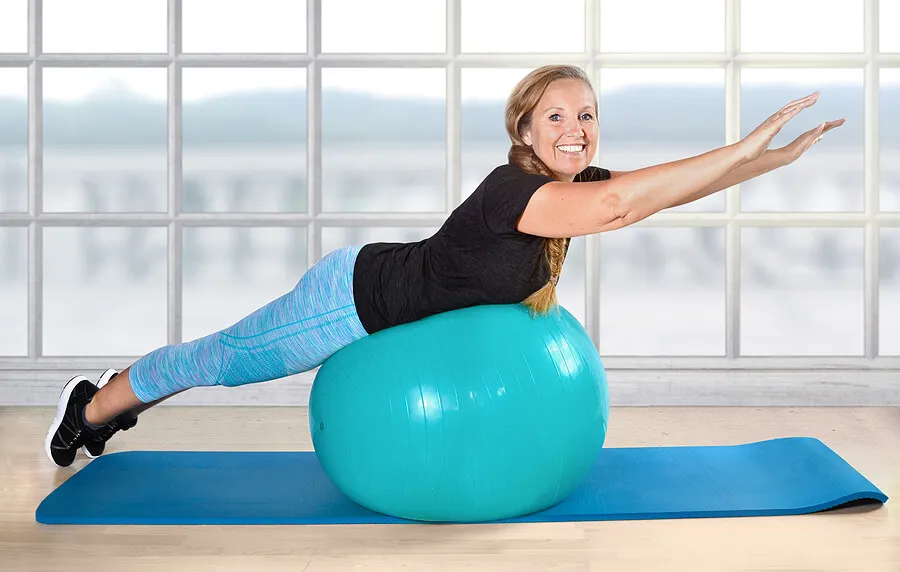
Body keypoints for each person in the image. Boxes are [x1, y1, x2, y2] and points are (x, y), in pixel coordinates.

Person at [45, 65, 843, 467]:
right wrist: (741, 148)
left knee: (225, 360)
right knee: (224, 361)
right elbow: (622, 208)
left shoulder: (566, 186)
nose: (576, 129)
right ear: (524, 132)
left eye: (587, 115)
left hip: (387, 306)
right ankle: (93, 405)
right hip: (351, 300)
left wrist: (766, 162)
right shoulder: (515, 191)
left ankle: (105, 404)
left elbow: (655, 194)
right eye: (556, 116)